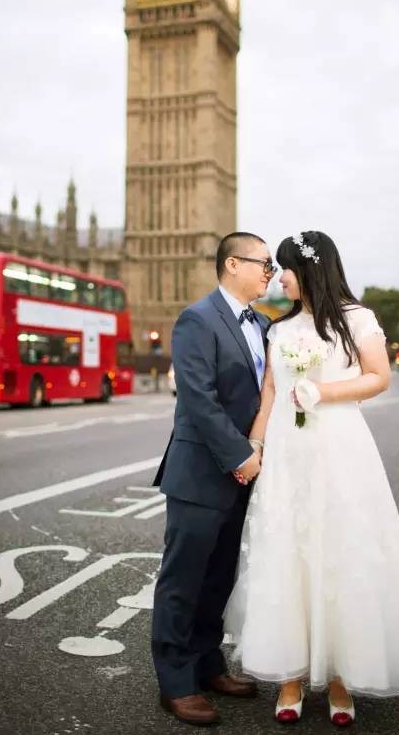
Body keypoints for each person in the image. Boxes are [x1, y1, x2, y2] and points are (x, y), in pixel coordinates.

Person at [224, 230, 399, 726]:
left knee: (342, 552)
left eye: (285, 268)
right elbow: (270, 392)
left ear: (310, 269)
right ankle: (291, 676)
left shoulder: (356, 318)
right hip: (288, 454)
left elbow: (378, 376)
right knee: (287, 555)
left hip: (340, 450)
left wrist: (324, 392)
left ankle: (343, 676)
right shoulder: (278, 328)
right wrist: (256, 444)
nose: (278, 277)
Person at [151, 231, 275, 726]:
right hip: (202, 471)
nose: (269, 273)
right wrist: (241, 455)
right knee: (183, 580)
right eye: (263, 263)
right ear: (232, 264)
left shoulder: (262, 324)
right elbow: (198, 399)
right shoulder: (197, 319)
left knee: (219, 577)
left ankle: (207, 665)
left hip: (244, 473)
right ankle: (175, 683)